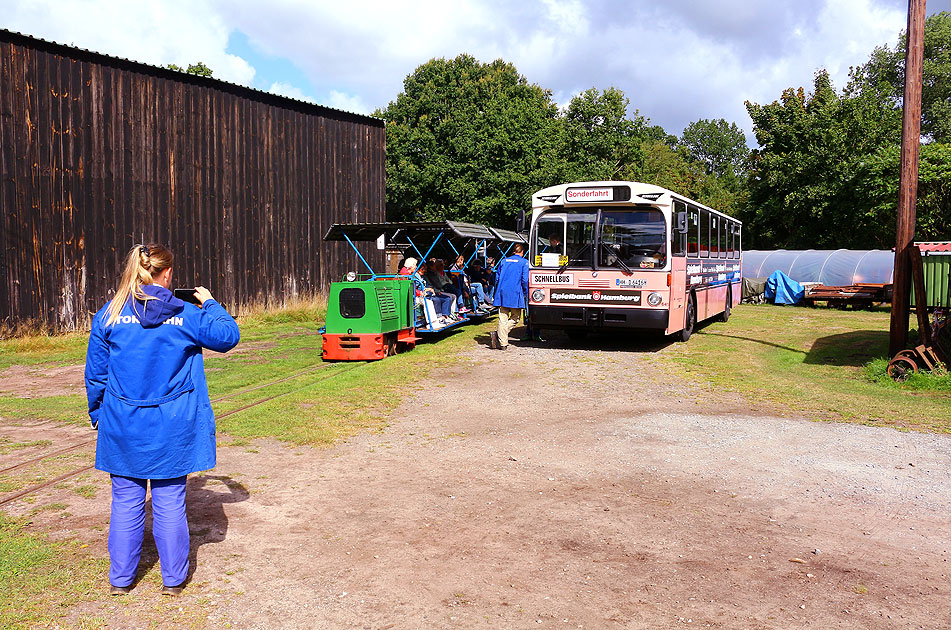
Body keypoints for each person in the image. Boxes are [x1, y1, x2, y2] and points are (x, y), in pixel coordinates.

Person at [84, 244, 240, 596]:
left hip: (123, 424)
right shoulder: (186, 314)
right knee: (170, 500)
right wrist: (211, 303)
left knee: (126, 501)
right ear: (167, 274)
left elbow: (97, 376)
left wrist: (99, 416)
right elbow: (228, 336)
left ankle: (121, 581)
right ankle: (173, 581)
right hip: (173, 425)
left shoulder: (108, 315)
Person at [489, 243, 530, 350]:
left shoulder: (504, 261)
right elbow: (525, 280)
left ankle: (502, 343)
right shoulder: (524, 262)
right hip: (515, 292)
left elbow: (496, 278)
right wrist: (525, 292)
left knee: (503, 317)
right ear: (522, 252)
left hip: (502, 292)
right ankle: (499, 336)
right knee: (516, 318)